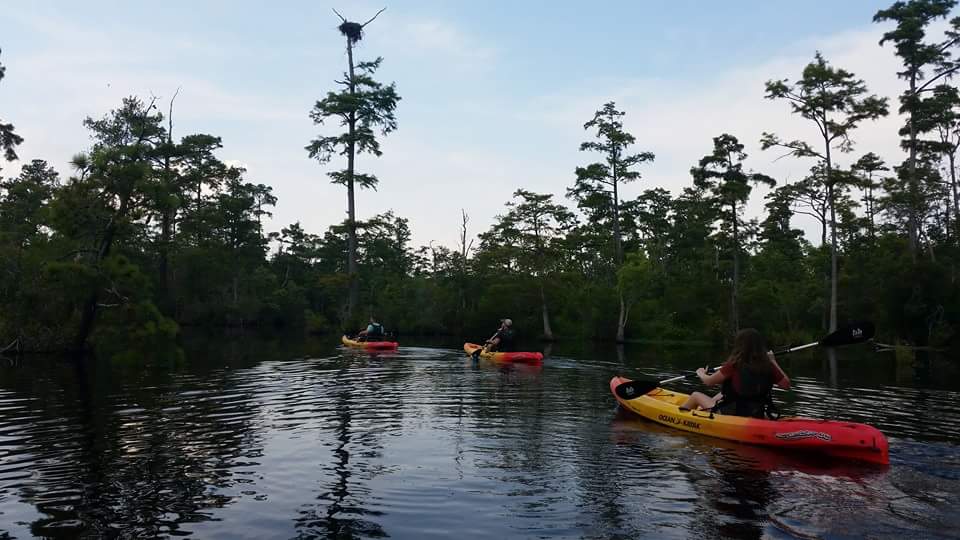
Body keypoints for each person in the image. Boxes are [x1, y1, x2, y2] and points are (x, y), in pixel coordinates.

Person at [680, 328, 791, 418]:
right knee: (721, 394)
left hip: (731, 414)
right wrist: (773, 361)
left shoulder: (734, 365)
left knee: (695, 395)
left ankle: (680, 418)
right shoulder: (768, 365)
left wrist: (701, 373)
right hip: (756, 413)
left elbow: (708, 382)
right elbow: (786, 385)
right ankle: (704, 413)